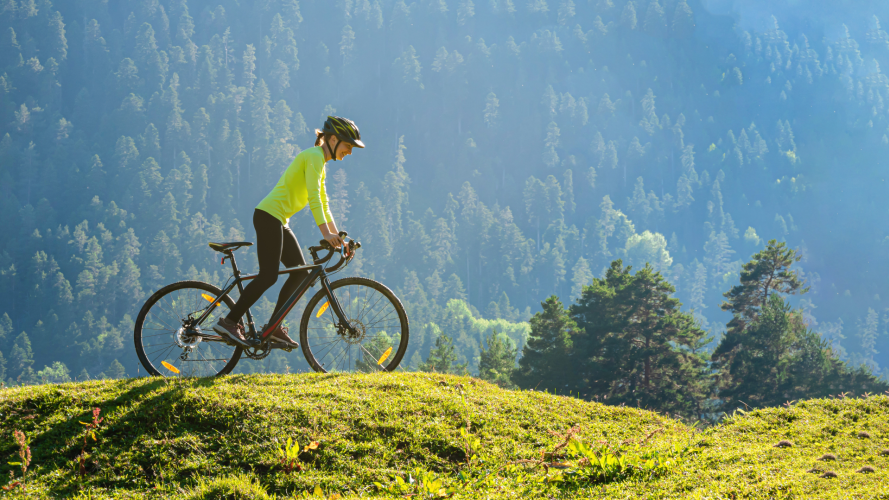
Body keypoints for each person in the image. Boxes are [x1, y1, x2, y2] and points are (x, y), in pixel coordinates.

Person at [213, 116, 365, 347]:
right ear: (333, 139)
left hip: (278, 220)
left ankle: (273, 328)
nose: (350, 152)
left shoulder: (319, 162)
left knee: (300, 274)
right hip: (268, 217)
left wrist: (339, 239)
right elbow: (314, 198)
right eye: (348, 145)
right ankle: (230, 322)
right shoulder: (314, 156)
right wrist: (326, 235)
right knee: (268, 276)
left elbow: (324, 203)